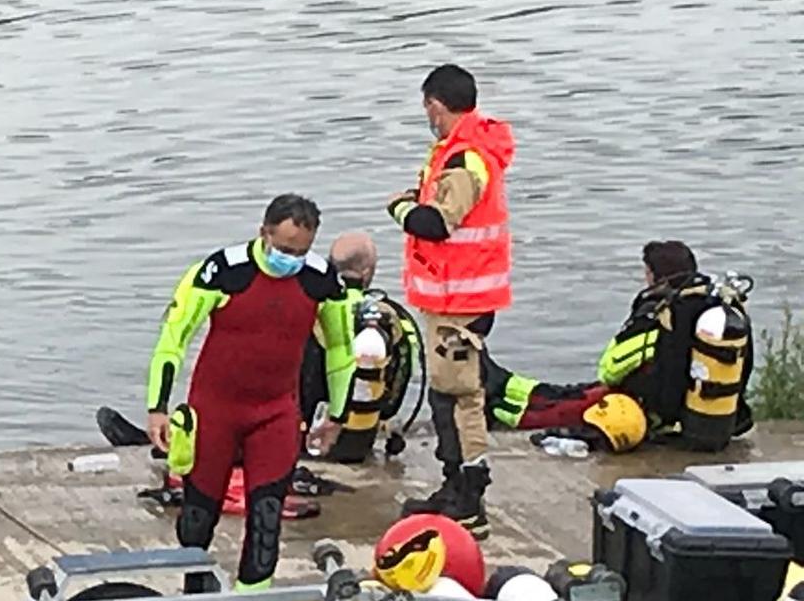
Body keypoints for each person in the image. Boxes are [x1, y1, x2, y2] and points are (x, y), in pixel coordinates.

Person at [146, 194, 354, 601]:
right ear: (264, 233)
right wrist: (158, 407)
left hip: (275, 413)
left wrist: (337, 415)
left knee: (266, 518)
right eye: (284, 249)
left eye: (301, 251)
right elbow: (174, 338)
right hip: (214, 411)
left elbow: (341, 350)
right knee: (199, 517)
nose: (291, 260)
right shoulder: (222, 271)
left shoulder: (320, 280)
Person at [389, 63, 516, 539]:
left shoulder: (466, 160)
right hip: (456, 296)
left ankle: (468, 500)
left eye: (428, 108)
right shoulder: (462, 151)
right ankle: (453, 488)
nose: (428, 116)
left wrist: (400, 208)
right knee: (448, 395)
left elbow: (439, 222)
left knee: (460, 398)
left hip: (462, 299)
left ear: (436, 105)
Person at [482, 240, 754, 450]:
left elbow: (610, 369)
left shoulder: (662, 312)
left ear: (655, 276)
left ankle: (498, 403)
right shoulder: (721, 306)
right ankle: (502, 383)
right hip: (705, 413)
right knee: (567, 393)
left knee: (568, 403)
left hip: (647, 412)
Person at [299, 231, 418, 467]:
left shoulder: (313, 310)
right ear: (367, 273)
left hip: (312, 440)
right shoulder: (394, 317)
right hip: (361, 441)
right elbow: (402, 378)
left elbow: (302, 378)